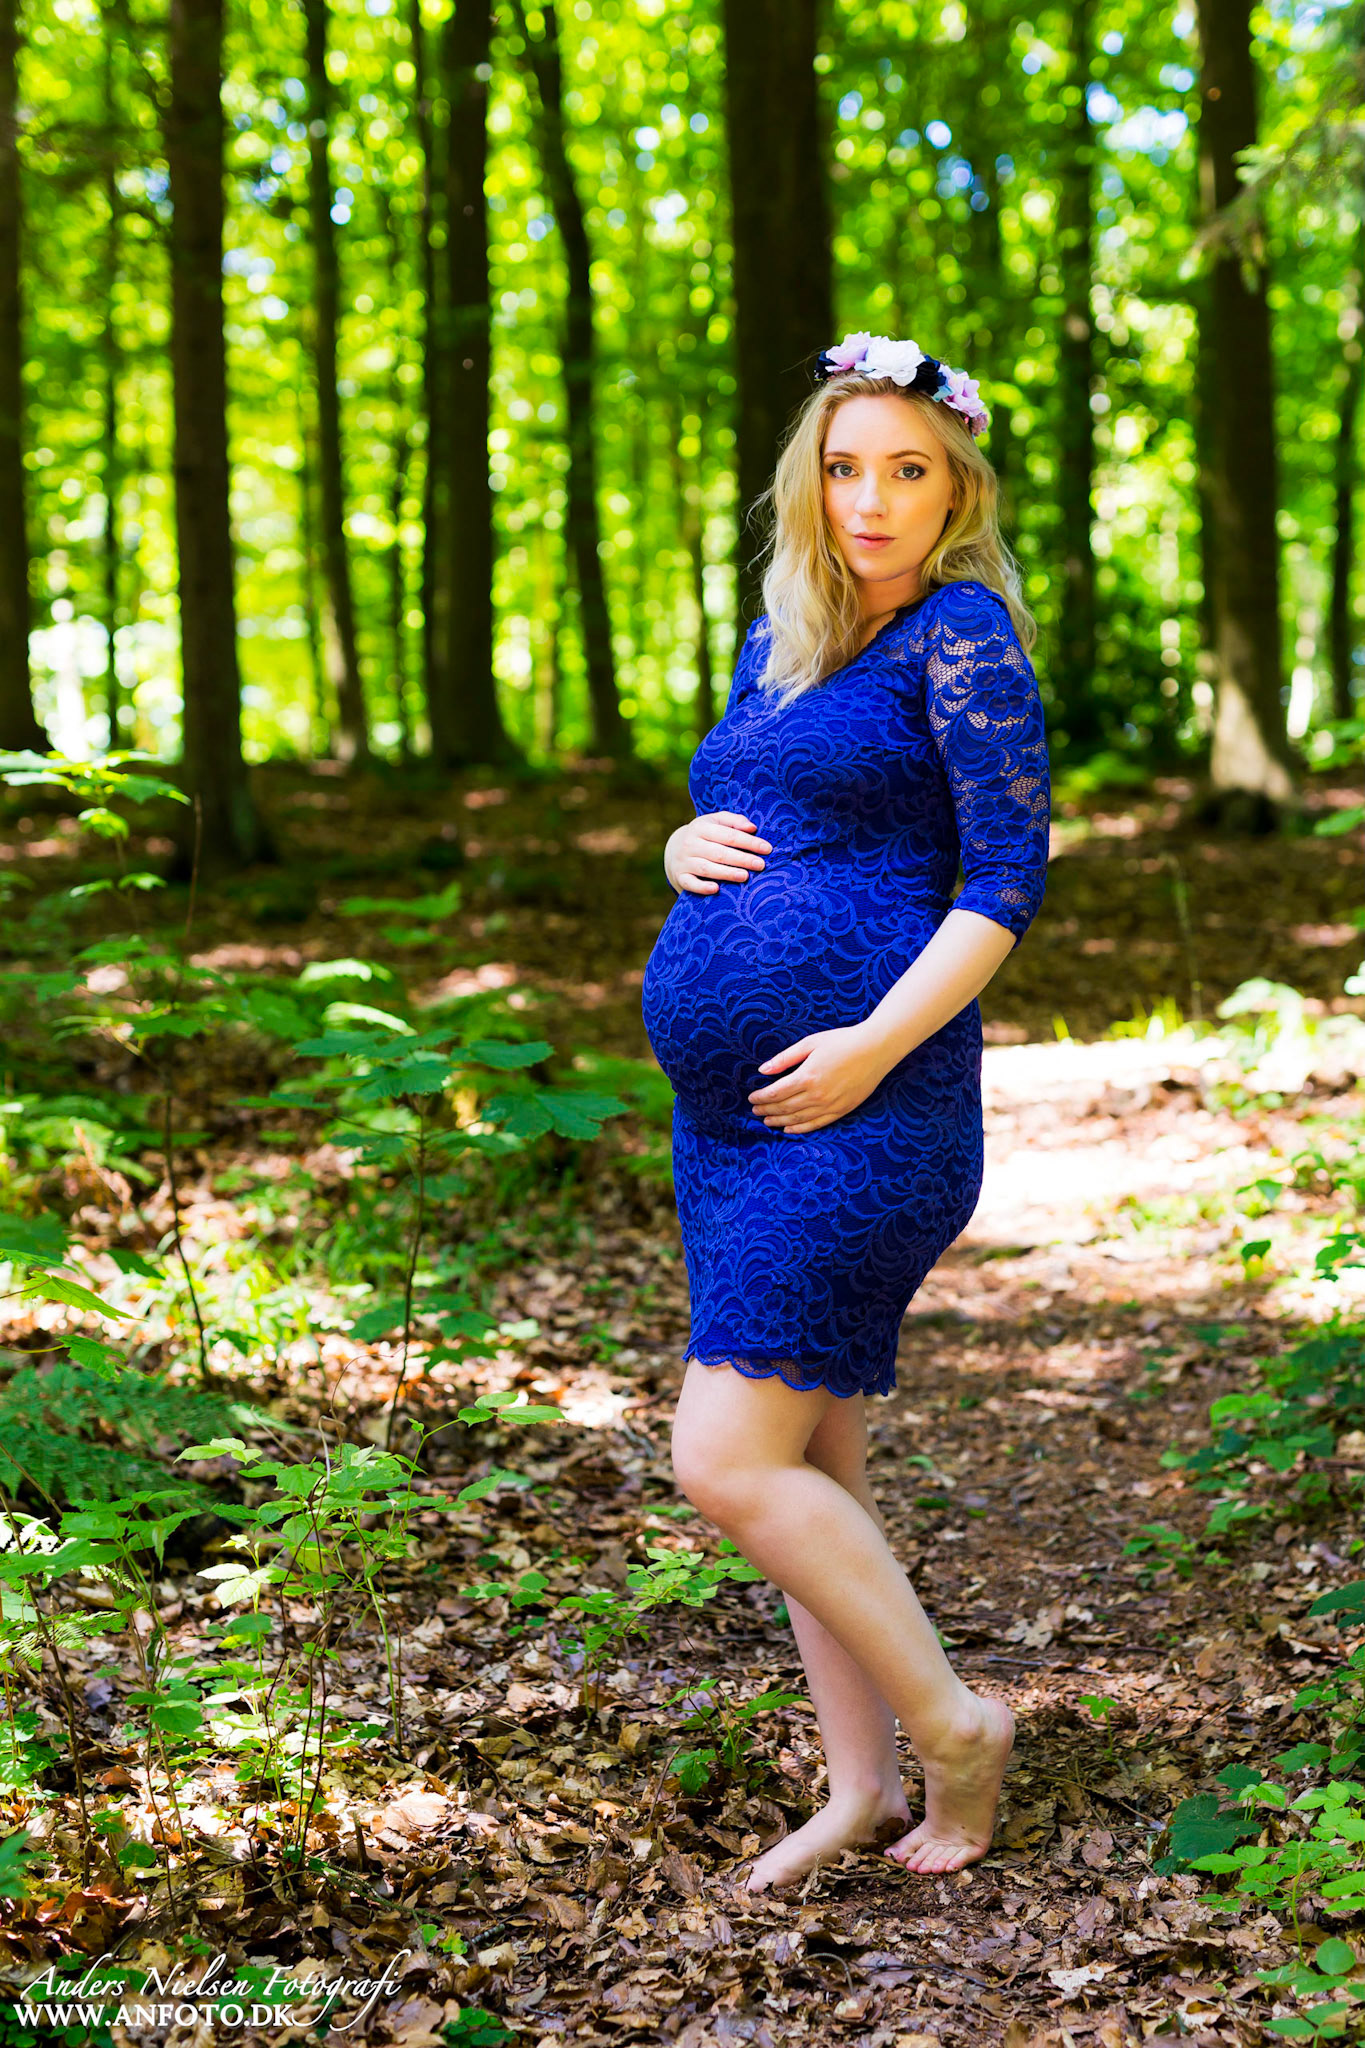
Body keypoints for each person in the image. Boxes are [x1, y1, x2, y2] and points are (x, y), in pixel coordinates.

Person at [640, 333, 1051, 1892]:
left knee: (724, 1460)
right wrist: (677, 846)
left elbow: (1003, 881)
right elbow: (756, 805)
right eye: (842, 467)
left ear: (955, 491)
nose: (869, 499)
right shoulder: (783, 634)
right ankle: (860, 1787)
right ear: (805, 481)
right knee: (815, 1470)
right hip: (728, 1129)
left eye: (906, 469)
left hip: (867, 1109)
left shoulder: (962, 636)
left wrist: (874, 1045)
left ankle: (956, 1729)